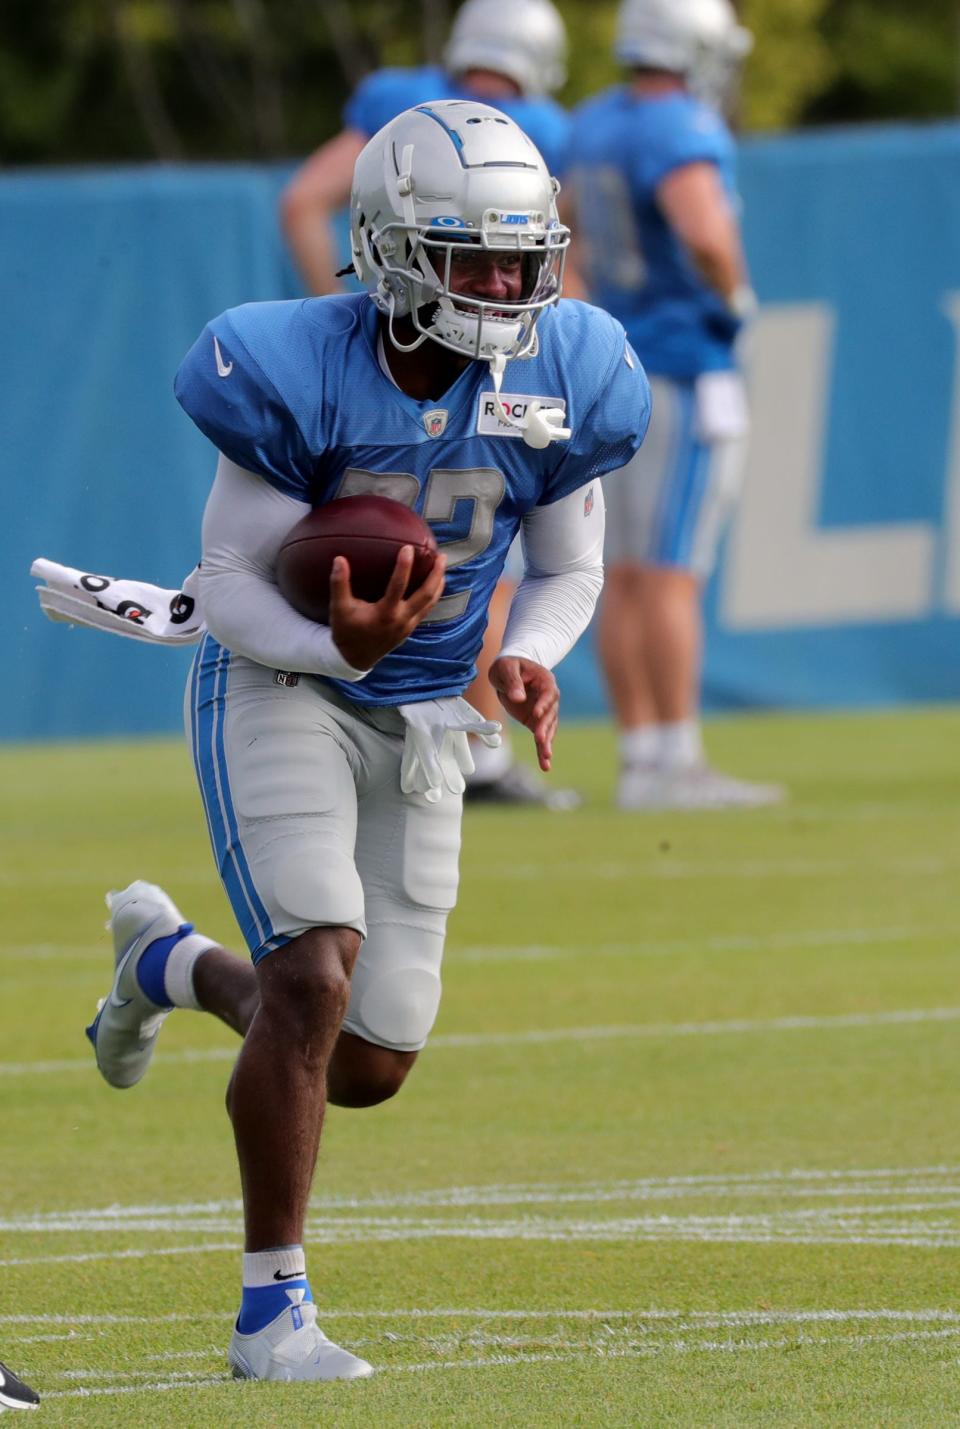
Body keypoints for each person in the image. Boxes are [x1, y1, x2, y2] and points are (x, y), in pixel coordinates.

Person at [74, 101, 650, 1382]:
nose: (508, 286)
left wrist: (527, 657)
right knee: (320, 970)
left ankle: (167, 962)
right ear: (392, 248)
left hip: (431, 706)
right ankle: (272, 1316)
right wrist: (337, 648)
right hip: (282, 683)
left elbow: (572, 566)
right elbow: (226, 578)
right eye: (476, 259)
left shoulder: (570, 368)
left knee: (368, 1059)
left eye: (523, 257)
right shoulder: (294, 362)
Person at [281, 0, 581, 809]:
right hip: (473, 368)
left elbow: (302, 201)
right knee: (479, 556)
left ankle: (402, 740)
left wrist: (353, 322)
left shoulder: (395, 100)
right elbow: (538, 266)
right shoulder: (530, 127)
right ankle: (475, 752)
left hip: (377, 356)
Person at [567, 0, 785, 811]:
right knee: (668, 576)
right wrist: (736, 296)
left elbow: (562, 233)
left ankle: (642, 756)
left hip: (615, 369)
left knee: (623, 573)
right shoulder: (677, 128)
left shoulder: (591, 125)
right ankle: (677, 760)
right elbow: (704, 229)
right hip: (681, 368)